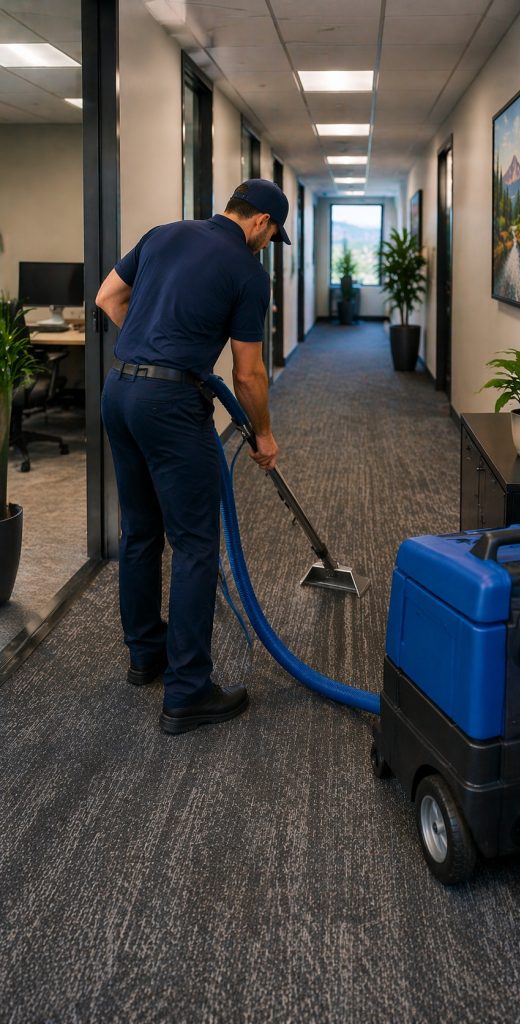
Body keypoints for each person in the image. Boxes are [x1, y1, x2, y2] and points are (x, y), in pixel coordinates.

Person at [96, 179, 290, 735]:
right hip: (172, 405)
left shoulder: (163, 234)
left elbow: (107, 298)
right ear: (261, 223)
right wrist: (265, 435)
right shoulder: (249, 273)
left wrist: (150, 345)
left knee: (140, 532)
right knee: (196, 543)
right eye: (272, 235)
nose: (267, 244)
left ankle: (145, 656)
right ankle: (187, 692)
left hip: (121, 391)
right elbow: (248, 373)